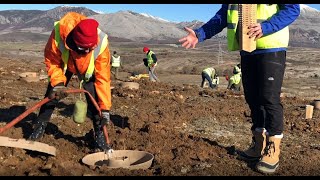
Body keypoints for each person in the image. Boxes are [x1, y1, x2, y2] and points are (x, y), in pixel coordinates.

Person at [179, 4, 300, 174]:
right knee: (253, 98)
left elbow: (293, 9)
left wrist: (266, 27)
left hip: (271, 47)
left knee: (269, 98)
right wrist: (200, 34)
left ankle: (273, 149)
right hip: (247, 49)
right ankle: (258, 145)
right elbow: (222, 16)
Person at [28, 12, 112, 152]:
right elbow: (52, 60)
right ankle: (40, 127)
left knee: (96, 101)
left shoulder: (101, 44)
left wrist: (105, 109)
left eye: (88, 49)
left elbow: (103, 78)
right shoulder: (59, 34)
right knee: (52, 94)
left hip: (87, 71)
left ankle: (99, 135)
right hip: (65, 65)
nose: (85, 52)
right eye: (82, 49)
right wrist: (58, 84)